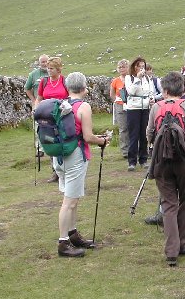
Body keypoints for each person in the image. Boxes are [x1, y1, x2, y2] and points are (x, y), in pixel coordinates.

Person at [146, 71, 185, 266]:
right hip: (184, 158)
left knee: (168, 203)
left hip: (161, 159)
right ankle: (182, 243)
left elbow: (149, 135)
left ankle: (171, 251)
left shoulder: (156, 107)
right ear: (183, 89)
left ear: (164, 90)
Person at [55, 71, 110, 257]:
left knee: (72, 197)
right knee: (69, 201)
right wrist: (101, 141)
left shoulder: (61, 104)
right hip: (75, 156)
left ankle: (72, 234)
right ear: (84, 88)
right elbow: (87, 136)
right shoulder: (83, 107)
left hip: (60, 156)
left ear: (68, 87)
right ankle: (63, 243)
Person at [34, 56, 69, 183]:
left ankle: (65, 168)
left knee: (63, 141)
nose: (49, 71)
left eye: (52, 68)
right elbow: (39, 98)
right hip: (47, 119)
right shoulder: (44, 82)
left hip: (62, 117)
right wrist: (37, 109)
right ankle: (55, 171)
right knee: (49, 141)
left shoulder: (65, 81)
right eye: (48, 68)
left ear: (59, 69)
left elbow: (71, 97)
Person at [125, 57, 155, 171]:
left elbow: (150, 91)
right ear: (134, 67)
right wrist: (137, 79)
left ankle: (143, 159)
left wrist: (151, 99)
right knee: (134, 134)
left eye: (143, 66)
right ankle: (132, 161)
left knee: (144, 134)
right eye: (139, 66)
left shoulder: (147, 78)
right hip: (133, 108)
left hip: (145, 108)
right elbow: (131, 91)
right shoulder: (129, 78)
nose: (142, 68)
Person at [25, 54, 49, 157]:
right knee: (38, 127)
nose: (44, 64)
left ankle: (51, 147)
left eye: (46, 61)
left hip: (50, 104)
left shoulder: (53, 73)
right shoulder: (33, 75)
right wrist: (33, 100)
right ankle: (40, 149)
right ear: (39, 63)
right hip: (38, 105)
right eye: (42, 62)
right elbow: (27, 88)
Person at [109, 59, 130, 158]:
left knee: (133, 127)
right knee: (123, 128)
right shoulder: (115, 81)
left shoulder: (132, 78)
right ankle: (125, 151)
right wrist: (116, 101)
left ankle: (134, 148)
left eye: (124, 66)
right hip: (120, 106)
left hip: (132, 105)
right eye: (120, 67)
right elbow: (112, 94)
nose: (121, 69)